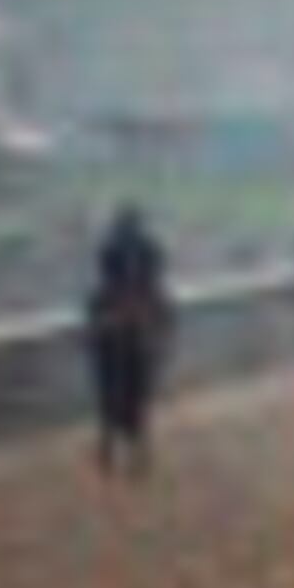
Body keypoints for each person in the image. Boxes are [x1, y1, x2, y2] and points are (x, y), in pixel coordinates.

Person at [86, 201, 174, 472]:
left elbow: (105, 278)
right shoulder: (149, 248)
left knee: (108, 391)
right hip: (139, 319)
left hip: (110, 319)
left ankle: (108, 446)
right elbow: (155, 279)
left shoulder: (110, 248)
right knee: (138, 391)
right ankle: (136, 450)